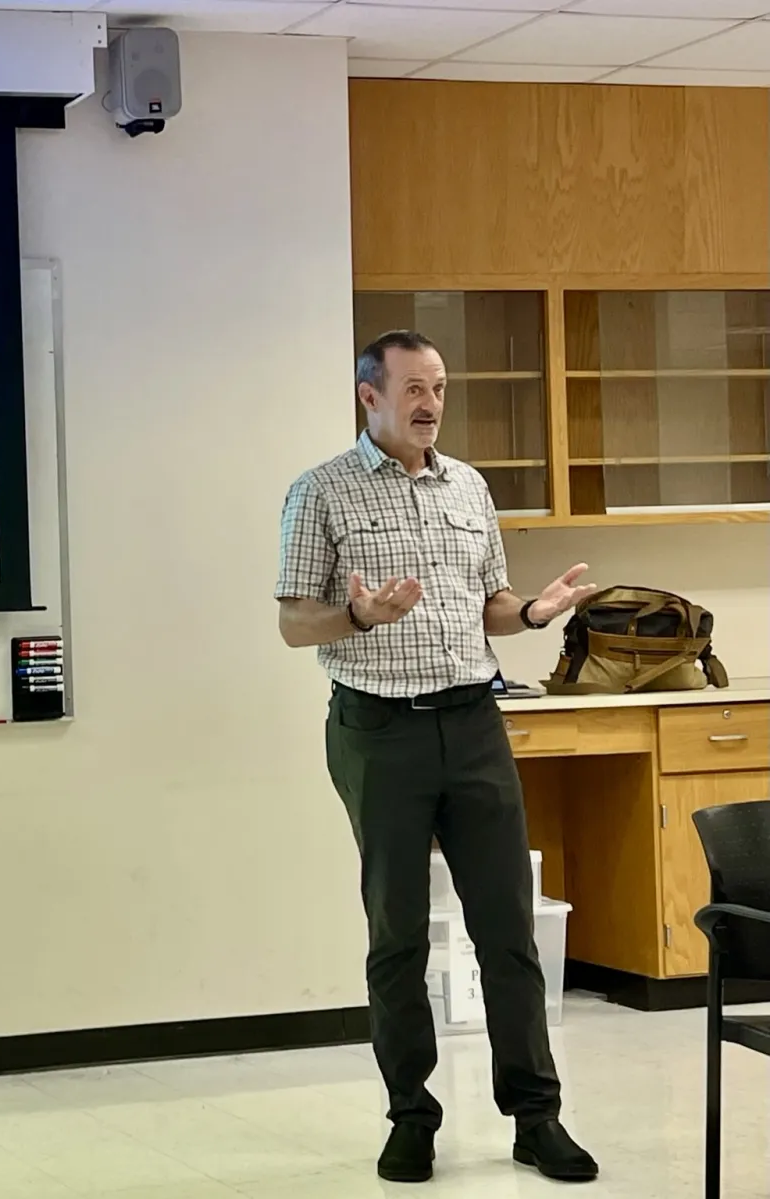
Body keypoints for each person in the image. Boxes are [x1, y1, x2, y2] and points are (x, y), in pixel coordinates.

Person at [274, 330, 601, 1185]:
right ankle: (412, 1117)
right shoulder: (321, 493)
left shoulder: (469, 486)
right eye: (413, 387)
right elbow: (293, 620)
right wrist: (359, 618)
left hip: (475, 722)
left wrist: (532, 613)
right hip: (379, 731)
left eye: (441, 388)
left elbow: (487, 602)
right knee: (397, 934)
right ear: (369, 397)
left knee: (509, 929)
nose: (431, 404)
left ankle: (537, 1117)